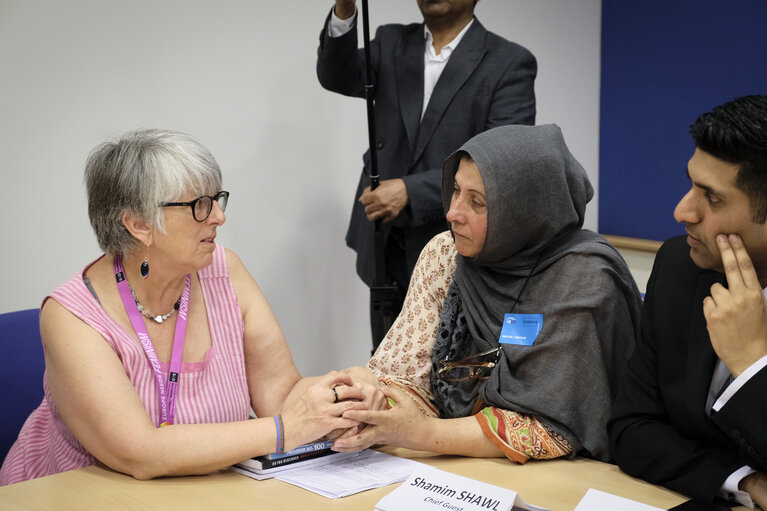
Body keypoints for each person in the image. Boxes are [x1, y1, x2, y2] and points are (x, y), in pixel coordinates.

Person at [0, 129, 382, 486]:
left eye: (217, 200)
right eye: (200, 205)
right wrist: (285, 430)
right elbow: (139, 454)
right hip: (76, 495)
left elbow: (281, 396)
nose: (219, 216)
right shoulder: (71, 316)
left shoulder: (225, 270)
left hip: (203, 491)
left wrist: (344, 392)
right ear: (138, 224)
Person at [329, 124, 642, 463]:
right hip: (455, 471)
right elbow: (408, 379)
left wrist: (420, 433)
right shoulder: (447, 254)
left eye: (476, 202)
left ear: (524, 212)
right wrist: (374, 400)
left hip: (560, 480)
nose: (452, 213)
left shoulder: (584, 277)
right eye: (455, 191)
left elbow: (551, 426)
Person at [316, 0, 537, 349]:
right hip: (384, 239)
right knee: (387, 358)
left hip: (454, 245)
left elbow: (503, 163)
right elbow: (335, 75)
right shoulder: (391, 42)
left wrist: (411, 191)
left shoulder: (508, 62)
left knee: (445, 368)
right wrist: (345, 9)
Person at [608, 95, 767, 508]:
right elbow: (632, 428)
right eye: (690, 184)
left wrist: (751, 362)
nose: (682, 211)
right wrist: (745, 482)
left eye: (711, 198)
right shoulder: (681, 265)